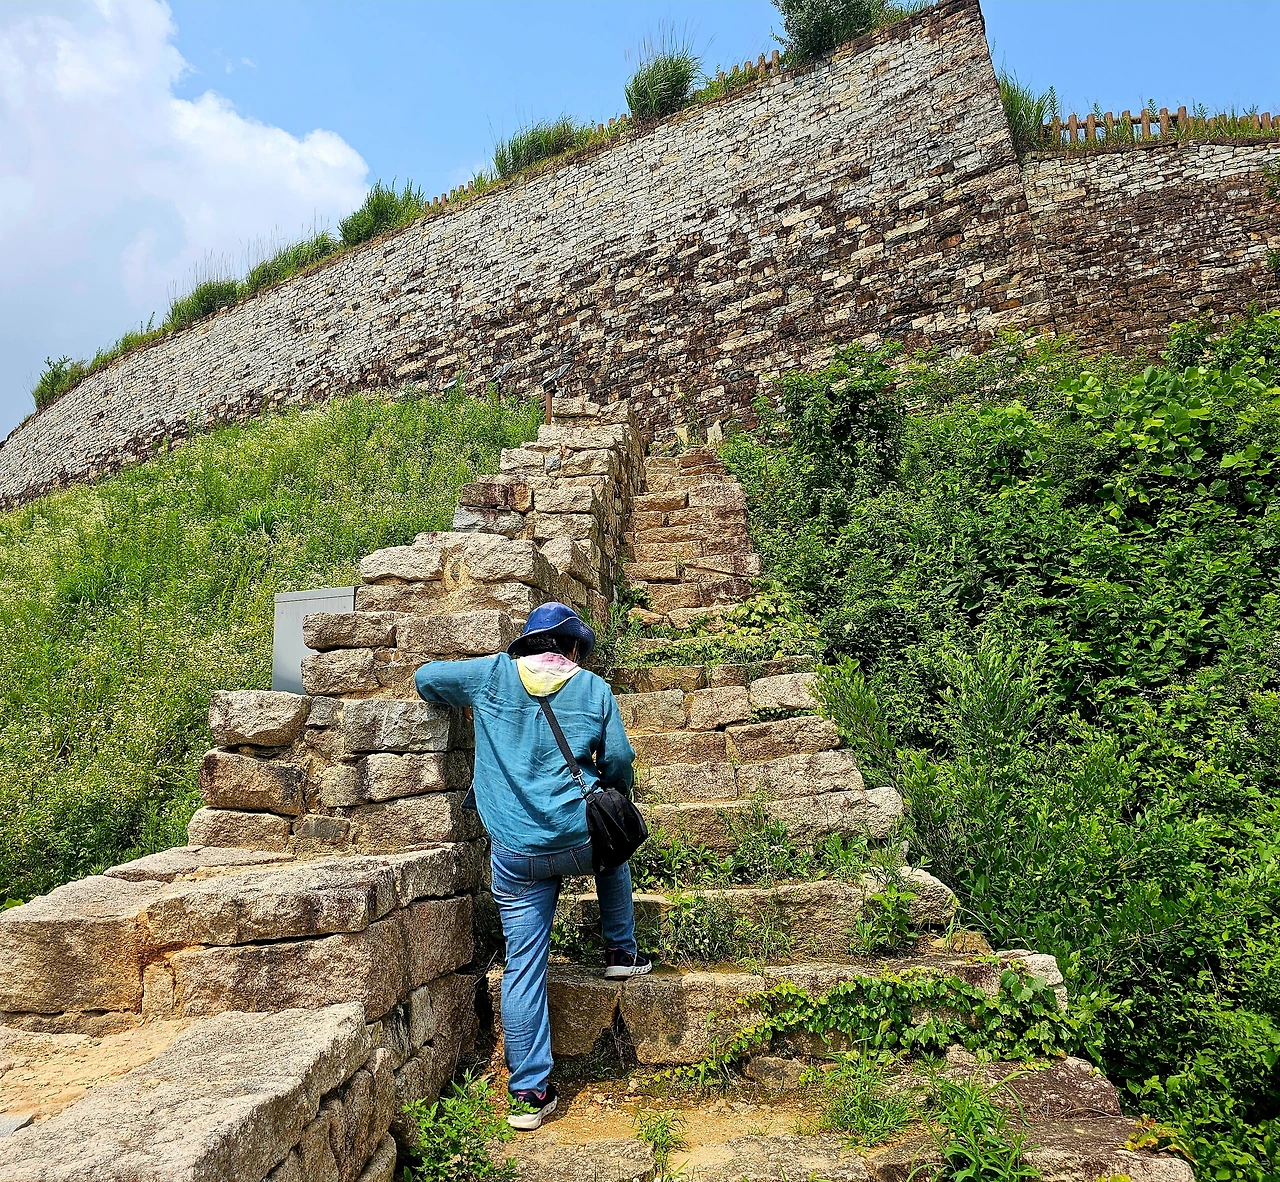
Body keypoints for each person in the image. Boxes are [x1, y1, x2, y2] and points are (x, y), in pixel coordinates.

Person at [414, 601, 652, 1131]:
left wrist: (467, 696)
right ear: (574, 647)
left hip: (517, 849)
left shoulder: (492, 675)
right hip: (579, 837)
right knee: (613, 846)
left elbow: (426, 678)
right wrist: (615, 795)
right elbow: (618, 761)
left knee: (524, 964)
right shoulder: (593, 688)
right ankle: (620, 950)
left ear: (526, 643)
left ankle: (528, 1093)